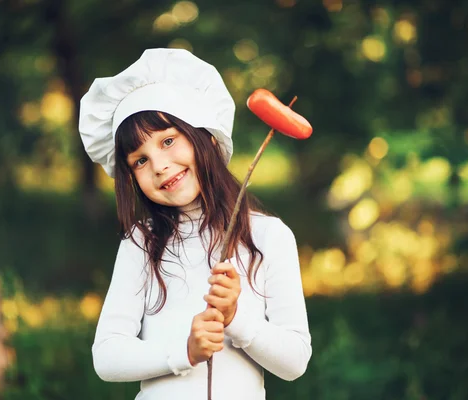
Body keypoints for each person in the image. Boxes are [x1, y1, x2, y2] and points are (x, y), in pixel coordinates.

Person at [78, 48, 312, 400]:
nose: (159, 165)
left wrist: (237, 319)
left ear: (207, 136)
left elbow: (294, 362)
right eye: (140, 160)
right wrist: (182, 352)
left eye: (168, 140)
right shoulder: (141, 244)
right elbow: (107, 357)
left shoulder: (267, 236)